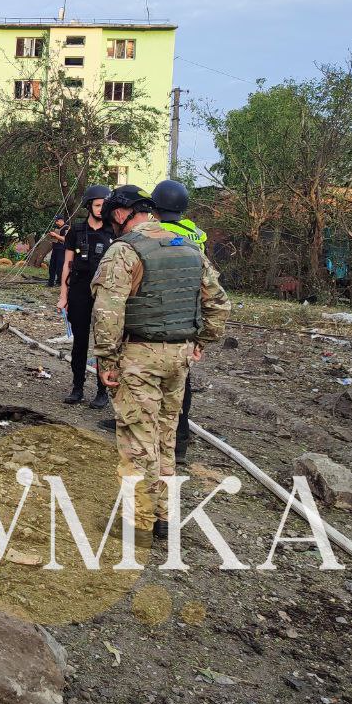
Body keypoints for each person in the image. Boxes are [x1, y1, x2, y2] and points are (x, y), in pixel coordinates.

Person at [90, 184, 230, 539]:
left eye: (112, 220)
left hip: (139, 357)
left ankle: (138, 523)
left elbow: (108, 311)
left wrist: (106, 359)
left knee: (138, 440)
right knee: (166, 438)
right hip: (179, 357)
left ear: (121, 214)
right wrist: (201, 341)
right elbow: (218, 302)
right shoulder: (188, 246)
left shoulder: (125, 250)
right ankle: (164, 517)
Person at [151, 179, 207, 461]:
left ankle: (152, 444)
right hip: (189, 314)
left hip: (159, 312)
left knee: (149, 383)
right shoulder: (197, 234)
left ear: (155, 207)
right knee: (182, 382)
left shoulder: (154, 232)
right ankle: (180, 443)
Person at [56, 184, 113, 408]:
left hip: (106, 293)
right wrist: (64, 295)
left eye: (104, 205)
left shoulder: (115, 232)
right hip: (80, 290)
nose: (101, 209)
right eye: (97, 205)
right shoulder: (76, 232)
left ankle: (102, 391)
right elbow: (66, 266)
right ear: (89, 206)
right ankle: (77, 387)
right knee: (80, 342)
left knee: (104, 343)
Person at [46, 215, 68, 287]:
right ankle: (51, 282)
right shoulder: (56, 228)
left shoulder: (66, 228)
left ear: (61, 220)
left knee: (60, 267)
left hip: (62, 250)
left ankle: (60, 282)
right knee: (52, 266)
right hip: (55, 249)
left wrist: (55, 235)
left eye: (57, 221)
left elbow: (66, 239)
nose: (56, 222)